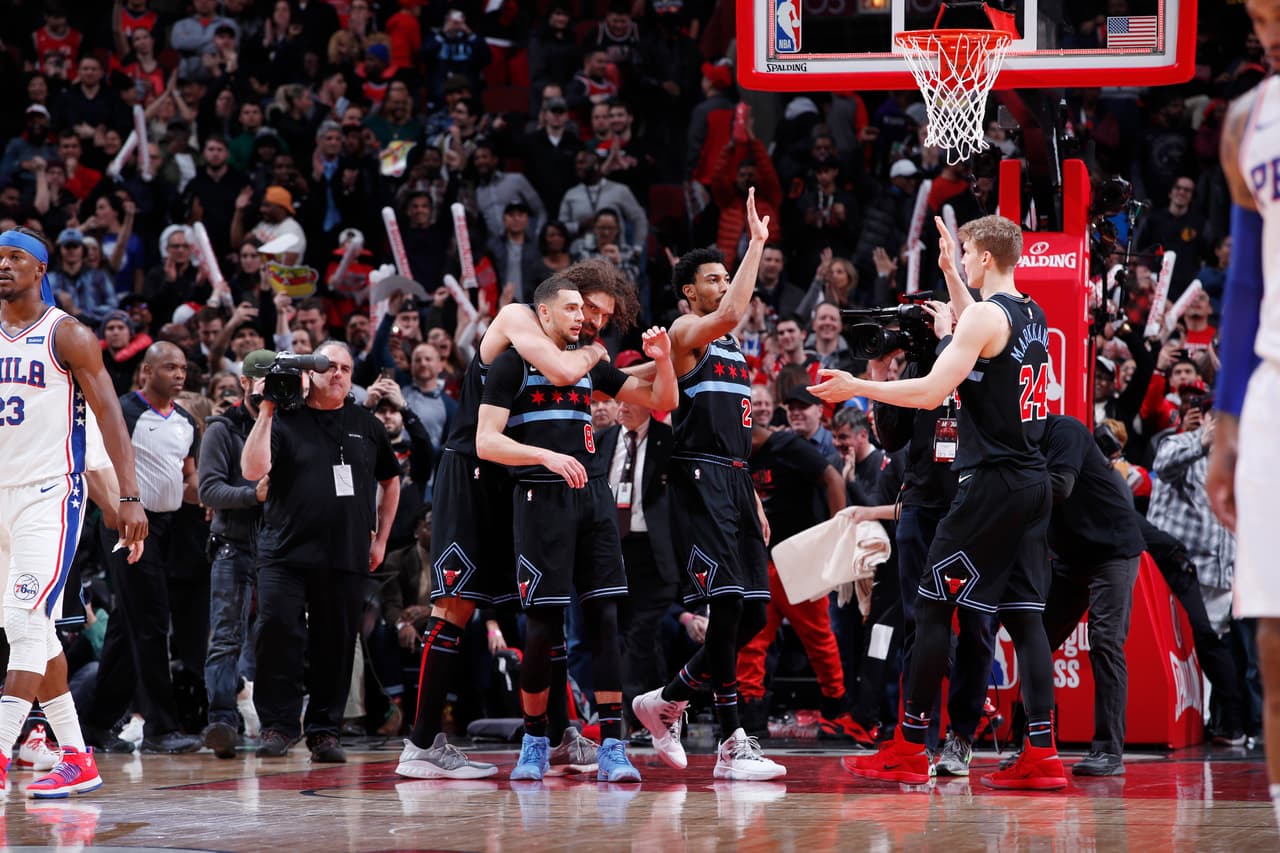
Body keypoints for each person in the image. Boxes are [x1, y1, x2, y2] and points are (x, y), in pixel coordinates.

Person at [809, 214, 1063, 790]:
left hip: (991, 485)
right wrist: (950, 271)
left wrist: (858, 385)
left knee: (929, 610)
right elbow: (979, 331)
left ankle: (907, 746)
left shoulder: (980, 317)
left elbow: (928, 392)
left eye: (967, 253)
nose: (965, 261)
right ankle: (1042, 754)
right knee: (1024, 621)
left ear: (985, 258)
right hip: (1032, 483)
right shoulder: (1029, 312)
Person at [394, 260, 630, 781]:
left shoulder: (562, 343)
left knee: (543, 607)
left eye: (596, 318)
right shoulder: (517, 317)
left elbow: (616, 382)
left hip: (515, 478)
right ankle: (422, 742)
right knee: (453, 605)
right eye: (583, 309)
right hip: (473, 470)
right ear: (556, 303)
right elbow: (569, 371)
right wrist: (595, 354)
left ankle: (559, 732)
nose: (589, 322)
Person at [477, 278, 678, 783]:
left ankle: (612, 743)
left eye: (583, 311)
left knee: (605, 619)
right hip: (539, 495)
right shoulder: (512, 364)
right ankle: (534, 741)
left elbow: (663, 399)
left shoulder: (590, 362)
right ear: (542, 314)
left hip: (591, 496)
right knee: (542, 628)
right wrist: (544, 454)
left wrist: (665, 357)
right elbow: (486, 442)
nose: (581, 318)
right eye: (570, 308)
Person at [631, 189, 786, 782]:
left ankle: (665, 699)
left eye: (729, 276)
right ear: (689, 292)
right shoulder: (689, 329)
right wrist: (756, 245)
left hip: (735, 482)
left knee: (748, 617)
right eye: (713, 278)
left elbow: (735, 437)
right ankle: (730, 743)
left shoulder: (728, 347)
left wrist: (750, 495)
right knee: (724, 605)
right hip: (696, 480)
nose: (724, 285)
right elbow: (728, 314)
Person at [0, 227, 148, 796]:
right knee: (35, 631)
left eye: (17, 258)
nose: (5, 265)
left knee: (23, 621)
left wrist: (127, 497)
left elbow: (110, 417)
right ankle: (78, 756)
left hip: (49, 494)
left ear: (41, 270)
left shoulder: (69, 335)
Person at [239, 342, 400, 763]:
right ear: (310, 372)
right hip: (284, 552)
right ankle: (278, 726)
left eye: (346, 368)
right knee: (276, 632)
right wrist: (266, 412)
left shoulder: (366, 424)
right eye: (329, 366)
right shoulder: (284, 418)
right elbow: (252, 471)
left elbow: (391, 480)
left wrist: (381, 539)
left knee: (337, 642)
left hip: (345, 553)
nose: (338, 374)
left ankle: (325, 732)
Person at [84, 342, 205, 756]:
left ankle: (96, 726)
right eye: (169, 367)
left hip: (169, 526)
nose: (179, 374)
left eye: (183, 368)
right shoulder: (121, 412)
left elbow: (188, 481)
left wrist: (215, 495)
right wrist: (116, 513)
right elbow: (95, 465)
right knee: (152, 621)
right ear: (146, 372)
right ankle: (160, 727)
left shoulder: (188, 421)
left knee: (127, 624)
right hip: (127, 525)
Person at [198, 372, 269, 758]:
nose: (266, 389)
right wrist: (252, 495)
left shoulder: (290, 423)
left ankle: (274, 721)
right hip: (233, 544)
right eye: (260, 382)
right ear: (245, 382)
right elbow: (208, 489)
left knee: (276, 637)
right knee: (227, 636)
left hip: (279, 549)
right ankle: (222, 720)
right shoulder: (222, 430)